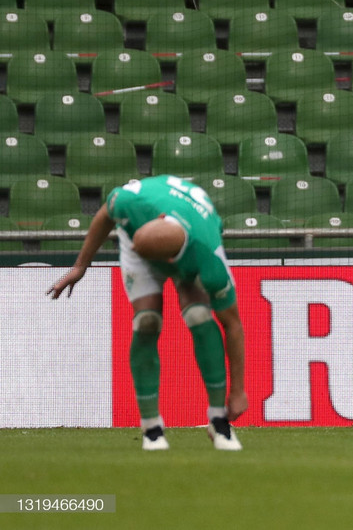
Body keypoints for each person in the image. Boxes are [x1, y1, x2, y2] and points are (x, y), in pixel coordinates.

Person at [48, 175, 246, 451]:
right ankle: (152, 427)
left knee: (199, 316)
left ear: (167, 263)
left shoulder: (208, 259)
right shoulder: (129, 203)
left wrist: (238, 391)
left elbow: (233, 324)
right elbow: (105, 215)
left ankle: (218, 420)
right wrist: (81, 266)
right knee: (147, 321)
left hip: (190, 243)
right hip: (140, 238)